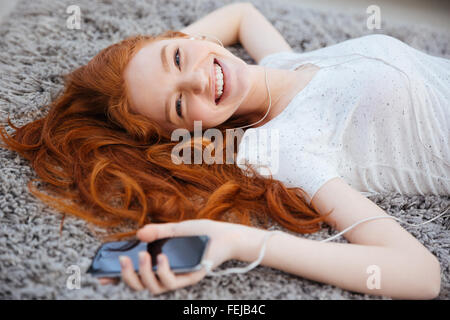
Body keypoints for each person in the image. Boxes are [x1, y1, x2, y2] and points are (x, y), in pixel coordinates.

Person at [0, 2, 447, 299]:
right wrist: (237, 241)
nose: (197, 81)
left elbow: (240, 14)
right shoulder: (285, 147)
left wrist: (183, 52)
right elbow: (421, 274)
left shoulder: (278, 64)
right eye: (178, 104)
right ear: (191, 131)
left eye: (174, 58)